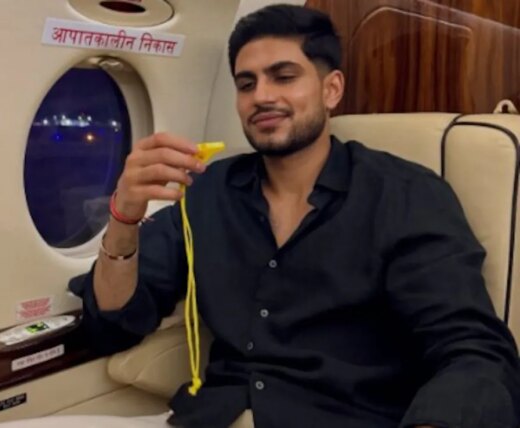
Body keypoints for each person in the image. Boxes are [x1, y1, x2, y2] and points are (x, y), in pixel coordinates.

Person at [67, 4, 520, 428]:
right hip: (214, 415)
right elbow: (114, 322)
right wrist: (124, 215)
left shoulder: (405, 196)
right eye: (246, 84)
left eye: (283, 77)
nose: (261, 96)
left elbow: (473, 352)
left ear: (331, 89)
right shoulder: (209, 190)